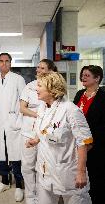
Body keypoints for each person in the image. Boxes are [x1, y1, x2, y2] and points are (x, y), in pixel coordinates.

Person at [26, 72, 92, 204]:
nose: (36, 88)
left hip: (67, 172)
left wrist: (81, 172)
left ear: (51, 88)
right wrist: (36, 140)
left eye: (39, 85)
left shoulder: (70, 110)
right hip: (45, 170)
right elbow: (45, 130)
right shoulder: (42, 107)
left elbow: (84, 142)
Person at [20, 59, 57, 204]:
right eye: (38, 67)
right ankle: (30, 197)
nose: (38, 70)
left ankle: (43, 198)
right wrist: (39, 115)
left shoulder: (54, 87)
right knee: (27, 166)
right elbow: (22, 108)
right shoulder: (29, 86)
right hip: (29, 131)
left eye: (42, 68)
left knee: (43, 166)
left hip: (45, 134)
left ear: (50, 71)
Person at [0, 53, 26, 202]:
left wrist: (19, 119)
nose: (4, 64)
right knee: (0, 153)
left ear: (11, 63)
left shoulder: (18, 79)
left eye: (7, 61)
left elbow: (25, 101)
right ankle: (4, 181)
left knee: (15, 154)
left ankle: (18, 185)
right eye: (1, 61)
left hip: (13, 121)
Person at [73, 65, 105, 203]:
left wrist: (92, 143)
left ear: (97, 78)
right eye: (83, 75)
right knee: (81, 173)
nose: (83, 77)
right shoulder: (80, 94)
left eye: (87, 75)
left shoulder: (103, 96)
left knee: (95, 175)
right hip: (80, 142)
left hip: (96, 144)